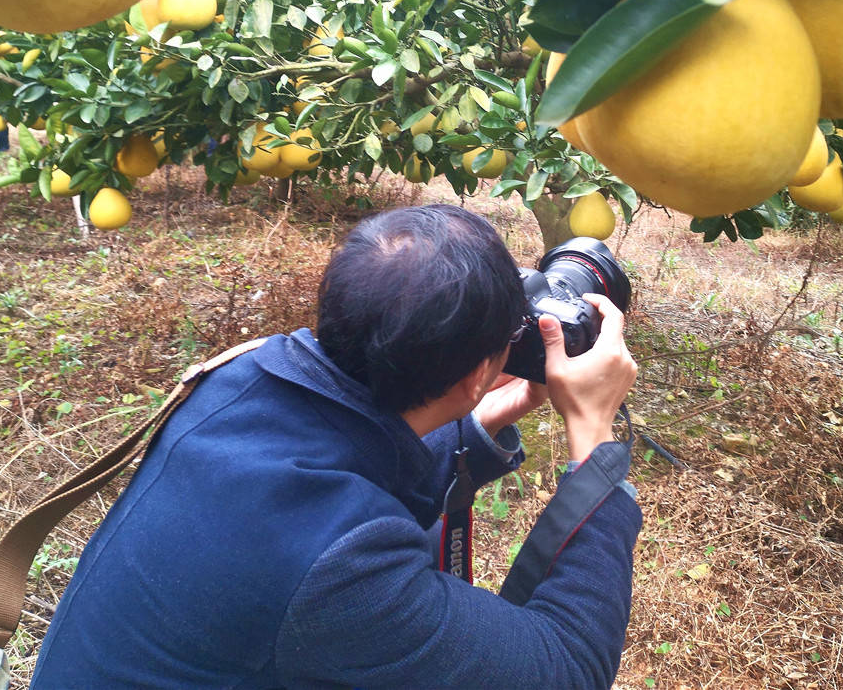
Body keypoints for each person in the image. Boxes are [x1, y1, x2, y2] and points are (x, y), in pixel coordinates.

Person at [32, 204, 641, 689]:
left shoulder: (240, 379)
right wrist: (592, 436)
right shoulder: (340, 575)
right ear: (475, 373)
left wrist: (479, 420)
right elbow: (567, 667)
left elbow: (343, 477)